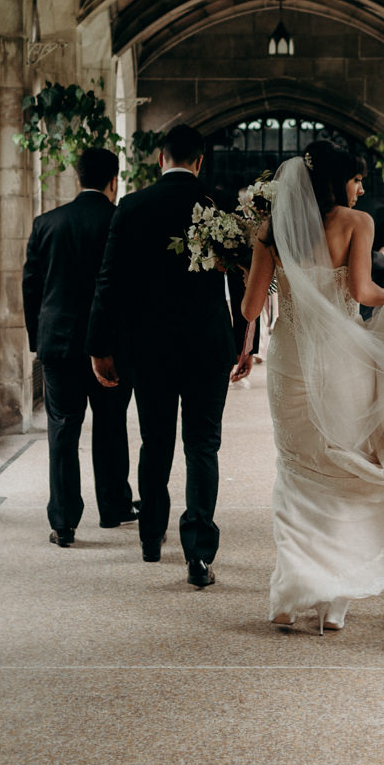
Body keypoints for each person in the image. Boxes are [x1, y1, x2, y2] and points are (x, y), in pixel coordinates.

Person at [236, 142, 384, 633]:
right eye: (356, 179)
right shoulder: (357, 223)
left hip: (290, 363)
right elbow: (362, 292)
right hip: (344, 362)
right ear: (338, 181)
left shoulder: (273, 230)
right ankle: (332, 604)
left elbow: (249, 310)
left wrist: (258, 265)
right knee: (340, 473)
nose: (360, 187)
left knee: (297, 472)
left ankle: (290, 595)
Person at [88, 124, 248, 587]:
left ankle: (151, 537)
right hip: (207, 345)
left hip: (150, 346)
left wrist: (100, 347)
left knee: (155, 442)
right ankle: (198, 554)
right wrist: (244, 340)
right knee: (203, 446)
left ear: (160, 159)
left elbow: (109, 281)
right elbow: (242, 279)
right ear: (200, 161)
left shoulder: (133, 206)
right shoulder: (218, 206)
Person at [22, 147, 136, 547]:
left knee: (63, 429)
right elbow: (129, 290)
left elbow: (32, 287)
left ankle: (64, 521)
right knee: (110, 425)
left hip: (58, 344)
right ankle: (114, 507)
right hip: (110, 345)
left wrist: (40, 340)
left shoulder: (46, 224)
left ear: (78, 178)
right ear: (113, 181)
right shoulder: (121, 221)